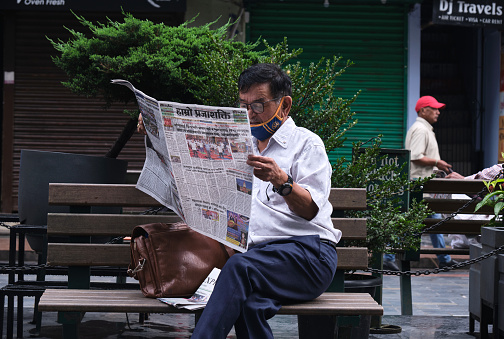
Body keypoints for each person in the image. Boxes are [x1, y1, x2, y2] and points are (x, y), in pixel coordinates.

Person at [139, 63, 340, 338]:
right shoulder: (237, 144)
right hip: (260, 259)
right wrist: (156, 135)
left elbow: (310, 211)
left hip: (308, 256)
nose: (249, 115)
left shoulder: (307, 144)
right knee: (249, 304)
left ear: (284, 105)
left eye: (258, 106)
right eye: (243, 105)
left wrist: (283, 181)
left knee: (238, 269)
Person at [384, 96, 456, 271]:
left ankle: (443, 258)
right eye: (434, 108)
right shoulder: (421, 130)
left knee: (430, 219)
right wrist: (437, 163)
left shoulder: (423, 129)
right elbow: (416, 156)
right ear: (423, 110)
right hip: (419, 185)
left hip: (421, 184)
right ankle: (388, 256)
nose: (438, 112)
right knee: (421, 220)